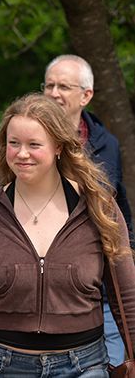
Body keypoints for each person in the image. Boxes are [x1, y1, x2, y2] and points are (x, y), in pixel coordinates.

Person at [0, 93, 135, 377]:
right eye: (14, 143)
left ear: (58, 146)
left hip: (84, 365)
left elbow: (127, 296)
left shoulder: (99, 208)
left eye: (34, 144)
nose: (22, 154)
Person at [42, 54, 133, 365]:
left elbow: (118, 209)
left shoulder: (107, 144)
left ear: (86, 95)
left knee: (112, 366)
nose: (54, 93)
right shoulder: (28, 143)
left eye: (64, 86)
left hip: (103, 290)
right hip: (48, 292)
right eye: (49, 85)